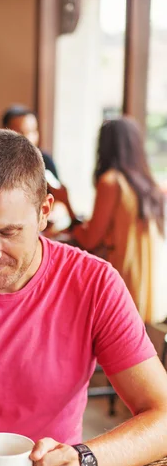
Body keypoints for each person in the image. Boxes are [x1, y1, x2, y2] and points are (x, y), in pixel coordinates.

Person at [0, 128, 167, 466]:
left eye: (8, 232)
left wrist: (84, 460)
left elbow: (163, 416)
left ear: (44, 211)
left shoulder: (94, 283)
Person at [49, 117, 167, 324]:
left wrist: (65, 201)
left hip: (122, 280)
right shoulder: (147, 184)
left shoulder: (111, 182)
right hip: (149, 287)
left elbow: (90, 240)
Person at [1, 105, 59, 179]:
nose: (28, 137)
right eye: (20, 131)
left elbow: (57, 189)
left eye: (32, 131)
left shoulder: (45, 161)